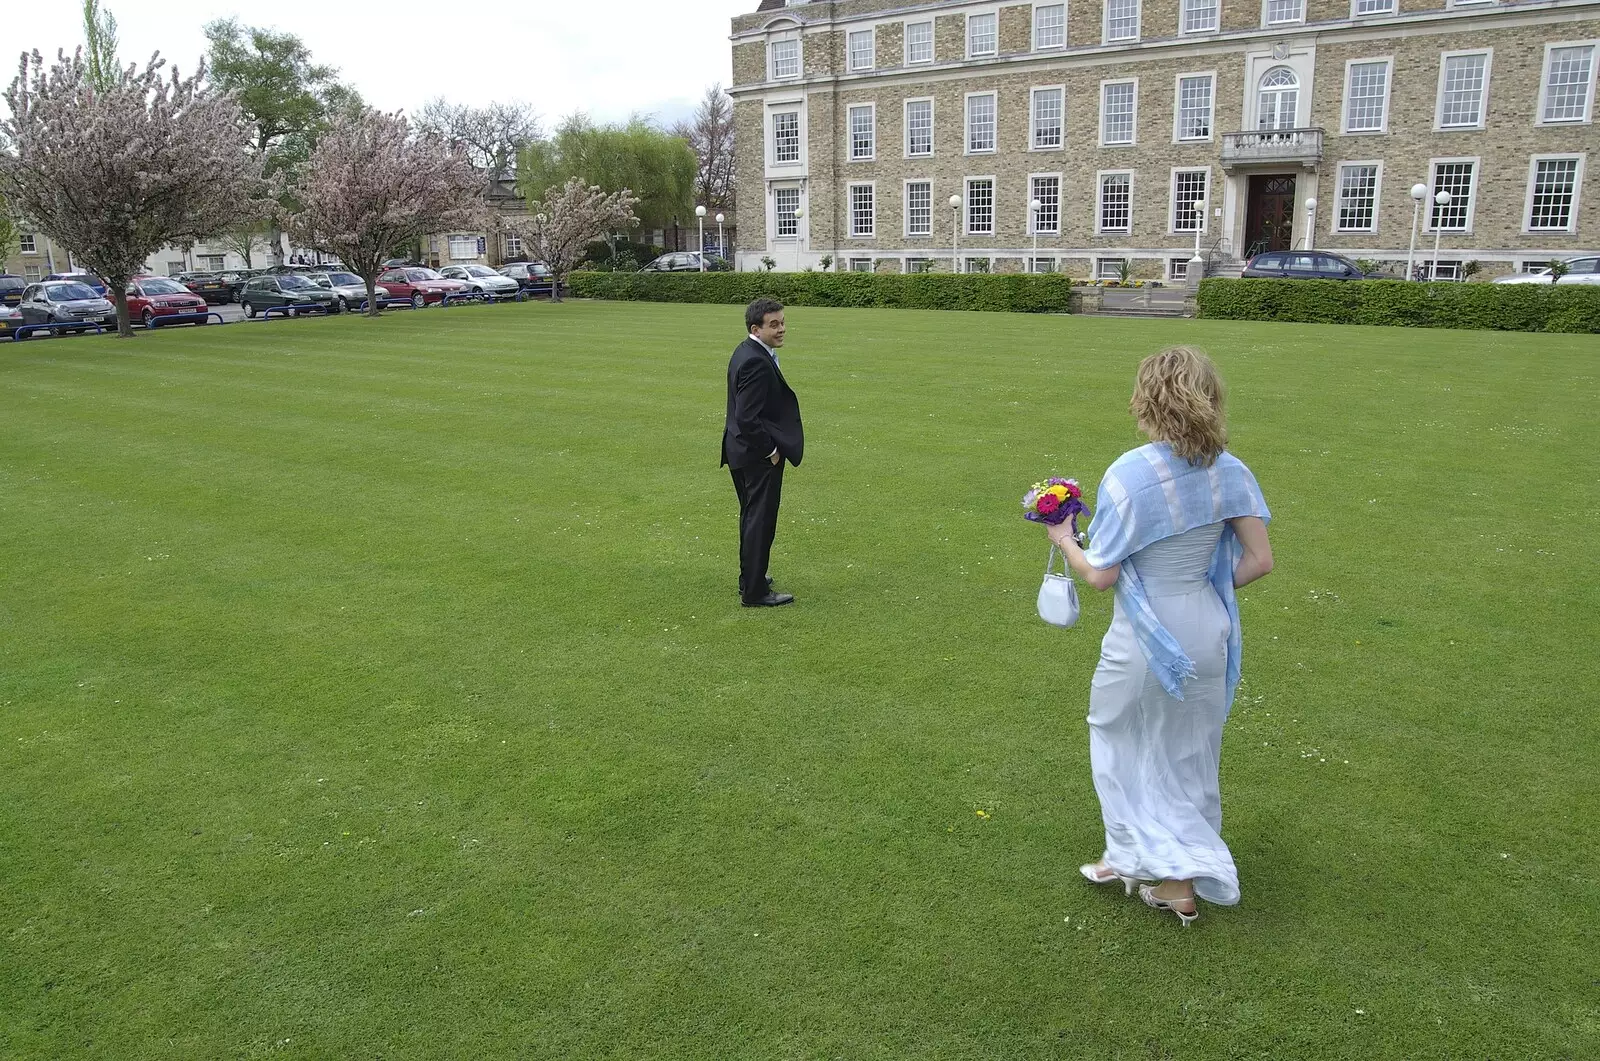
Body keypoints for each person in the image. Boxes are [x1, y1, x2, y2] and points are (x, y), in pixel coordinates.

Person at [1046, 346, 1274, 927]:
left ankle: (1150, 866)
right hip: (1205, 623)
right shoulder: (1230, 469)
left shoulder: (1132, 472)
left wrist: (1063, 537)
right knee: (1190, 749)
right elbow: (1258, 560)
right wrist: (1200, 592)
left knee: (1115, 734)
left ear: (1147, 399)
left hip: (1146, 634)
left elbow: (1102, 574)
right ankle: (1155, 870)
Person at [721, 298, 804, 607]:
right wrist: (770, 450)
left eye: (782, 322)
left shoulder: (748, 350)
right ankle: (754, 592)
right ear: (756, 329)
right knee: (760, 520)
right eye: (774, 324)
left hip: (740, 450)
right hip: (756, 455)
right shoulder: (755, 360)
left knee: (752, 517)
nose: (782, 329)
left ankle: (752, 577)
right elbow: (746, 416)